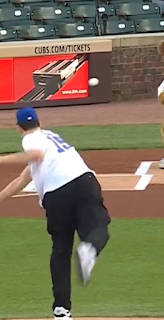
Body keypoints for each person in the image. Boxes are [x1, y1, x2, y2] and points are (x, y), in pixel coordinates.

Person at [0, 107, 111, 320]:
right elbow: (23, 179)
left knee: (61, 250)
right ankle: (89, 249)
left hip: (57, 195)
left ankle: (62, 309)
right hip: (84, 182)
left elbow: (36, 154)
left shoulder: (30, 139)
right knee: (99, 227)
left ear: (18, 128)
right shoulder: (51, 137)